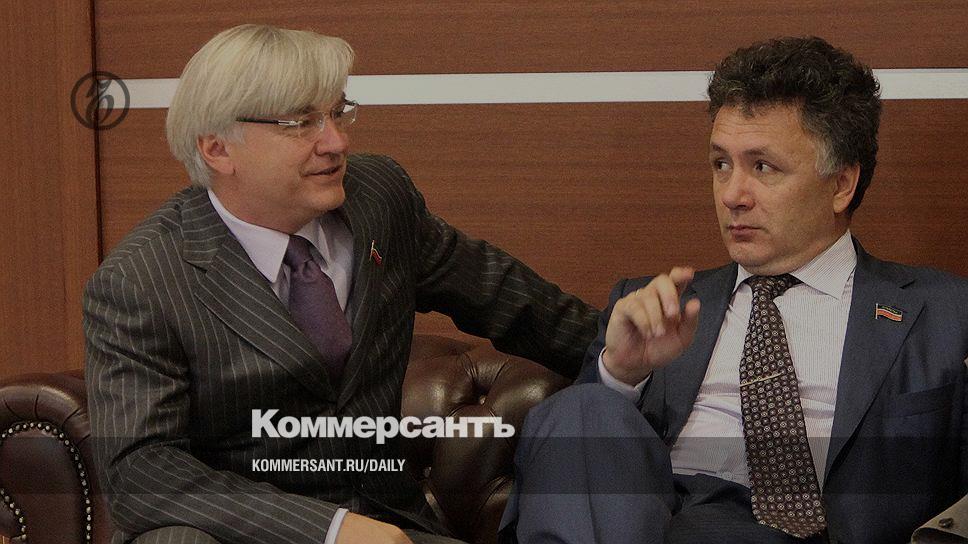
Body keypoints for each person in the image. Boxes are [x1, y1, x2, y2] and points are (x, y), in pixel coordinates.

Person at [83, 24, 599, 544]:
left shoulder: (378, 200)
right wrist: (327, 530)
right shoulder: (142, 279)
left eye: (336, 113)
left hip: (392, 527)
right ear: (218, 149)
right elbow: (141, 472)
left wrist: (628, 356)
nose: (336, 142)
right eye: (300, 122)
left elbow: (502, 294)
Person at [501, 36, 968, 544]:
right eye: (721, 164)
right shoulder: (657, 310)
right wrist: (620, 376)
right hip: (656, 523)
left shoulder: (944, 312)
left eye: (762, 167)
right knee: (583, 410)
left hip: (808, 531)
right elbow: (570, 480)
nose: (731, 195)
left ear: (841, 185)